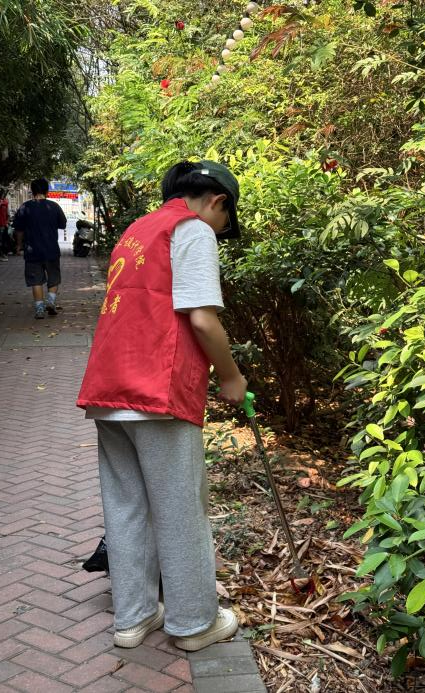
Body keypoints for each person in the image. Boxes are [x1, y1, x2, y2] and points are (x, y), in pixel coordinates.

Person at [76, 160, 247, 651]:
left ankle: (133, 618)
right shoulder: (191, 230)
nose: (220, 229)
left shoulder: (138, 229)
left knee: (126, 507)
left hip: (110, 387)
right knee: (179, 509)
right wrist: (231, 376)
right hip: (157, 389)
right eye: (225, 221)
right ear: (217, 202)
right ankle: (194, 624)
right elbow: (202, 319)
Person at [13, 178, 67, 319]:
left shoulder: (25, 207)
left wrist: (19, 245)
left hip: (32, 251)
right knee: (54, 277)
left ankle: (39, 310)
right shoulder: (54, 206)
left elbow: (19, 230)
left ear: (32, 191)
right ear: (47, 191)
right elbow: (63, 224)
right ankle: (51, 301)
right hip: (51, 250)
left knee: (35, 280)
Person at [0, 189, 9, 261]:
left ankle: (3, 254)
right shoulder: (3, 203)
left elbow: (7, 214)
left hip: (3, 224)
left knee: (3, 240)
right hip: (2, 224)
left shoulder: (5, 203)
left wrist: (6, 223)